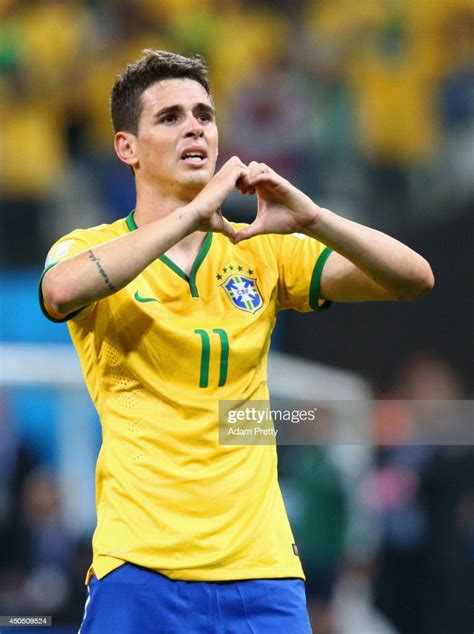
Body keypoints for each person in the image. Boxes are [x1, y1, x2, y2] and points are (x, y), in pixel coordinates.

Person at [39, 50, 434, 633]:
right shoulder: (89, 248)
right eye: (170, 117)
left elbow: (413, 278)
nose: (195, 126)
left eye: (204, 114)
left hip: (263, 571)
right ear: (127, 148)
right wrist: (191, 213)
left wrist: (314, 219)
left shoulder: (260, 246)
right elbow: (58, 292)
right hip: (141, 567)